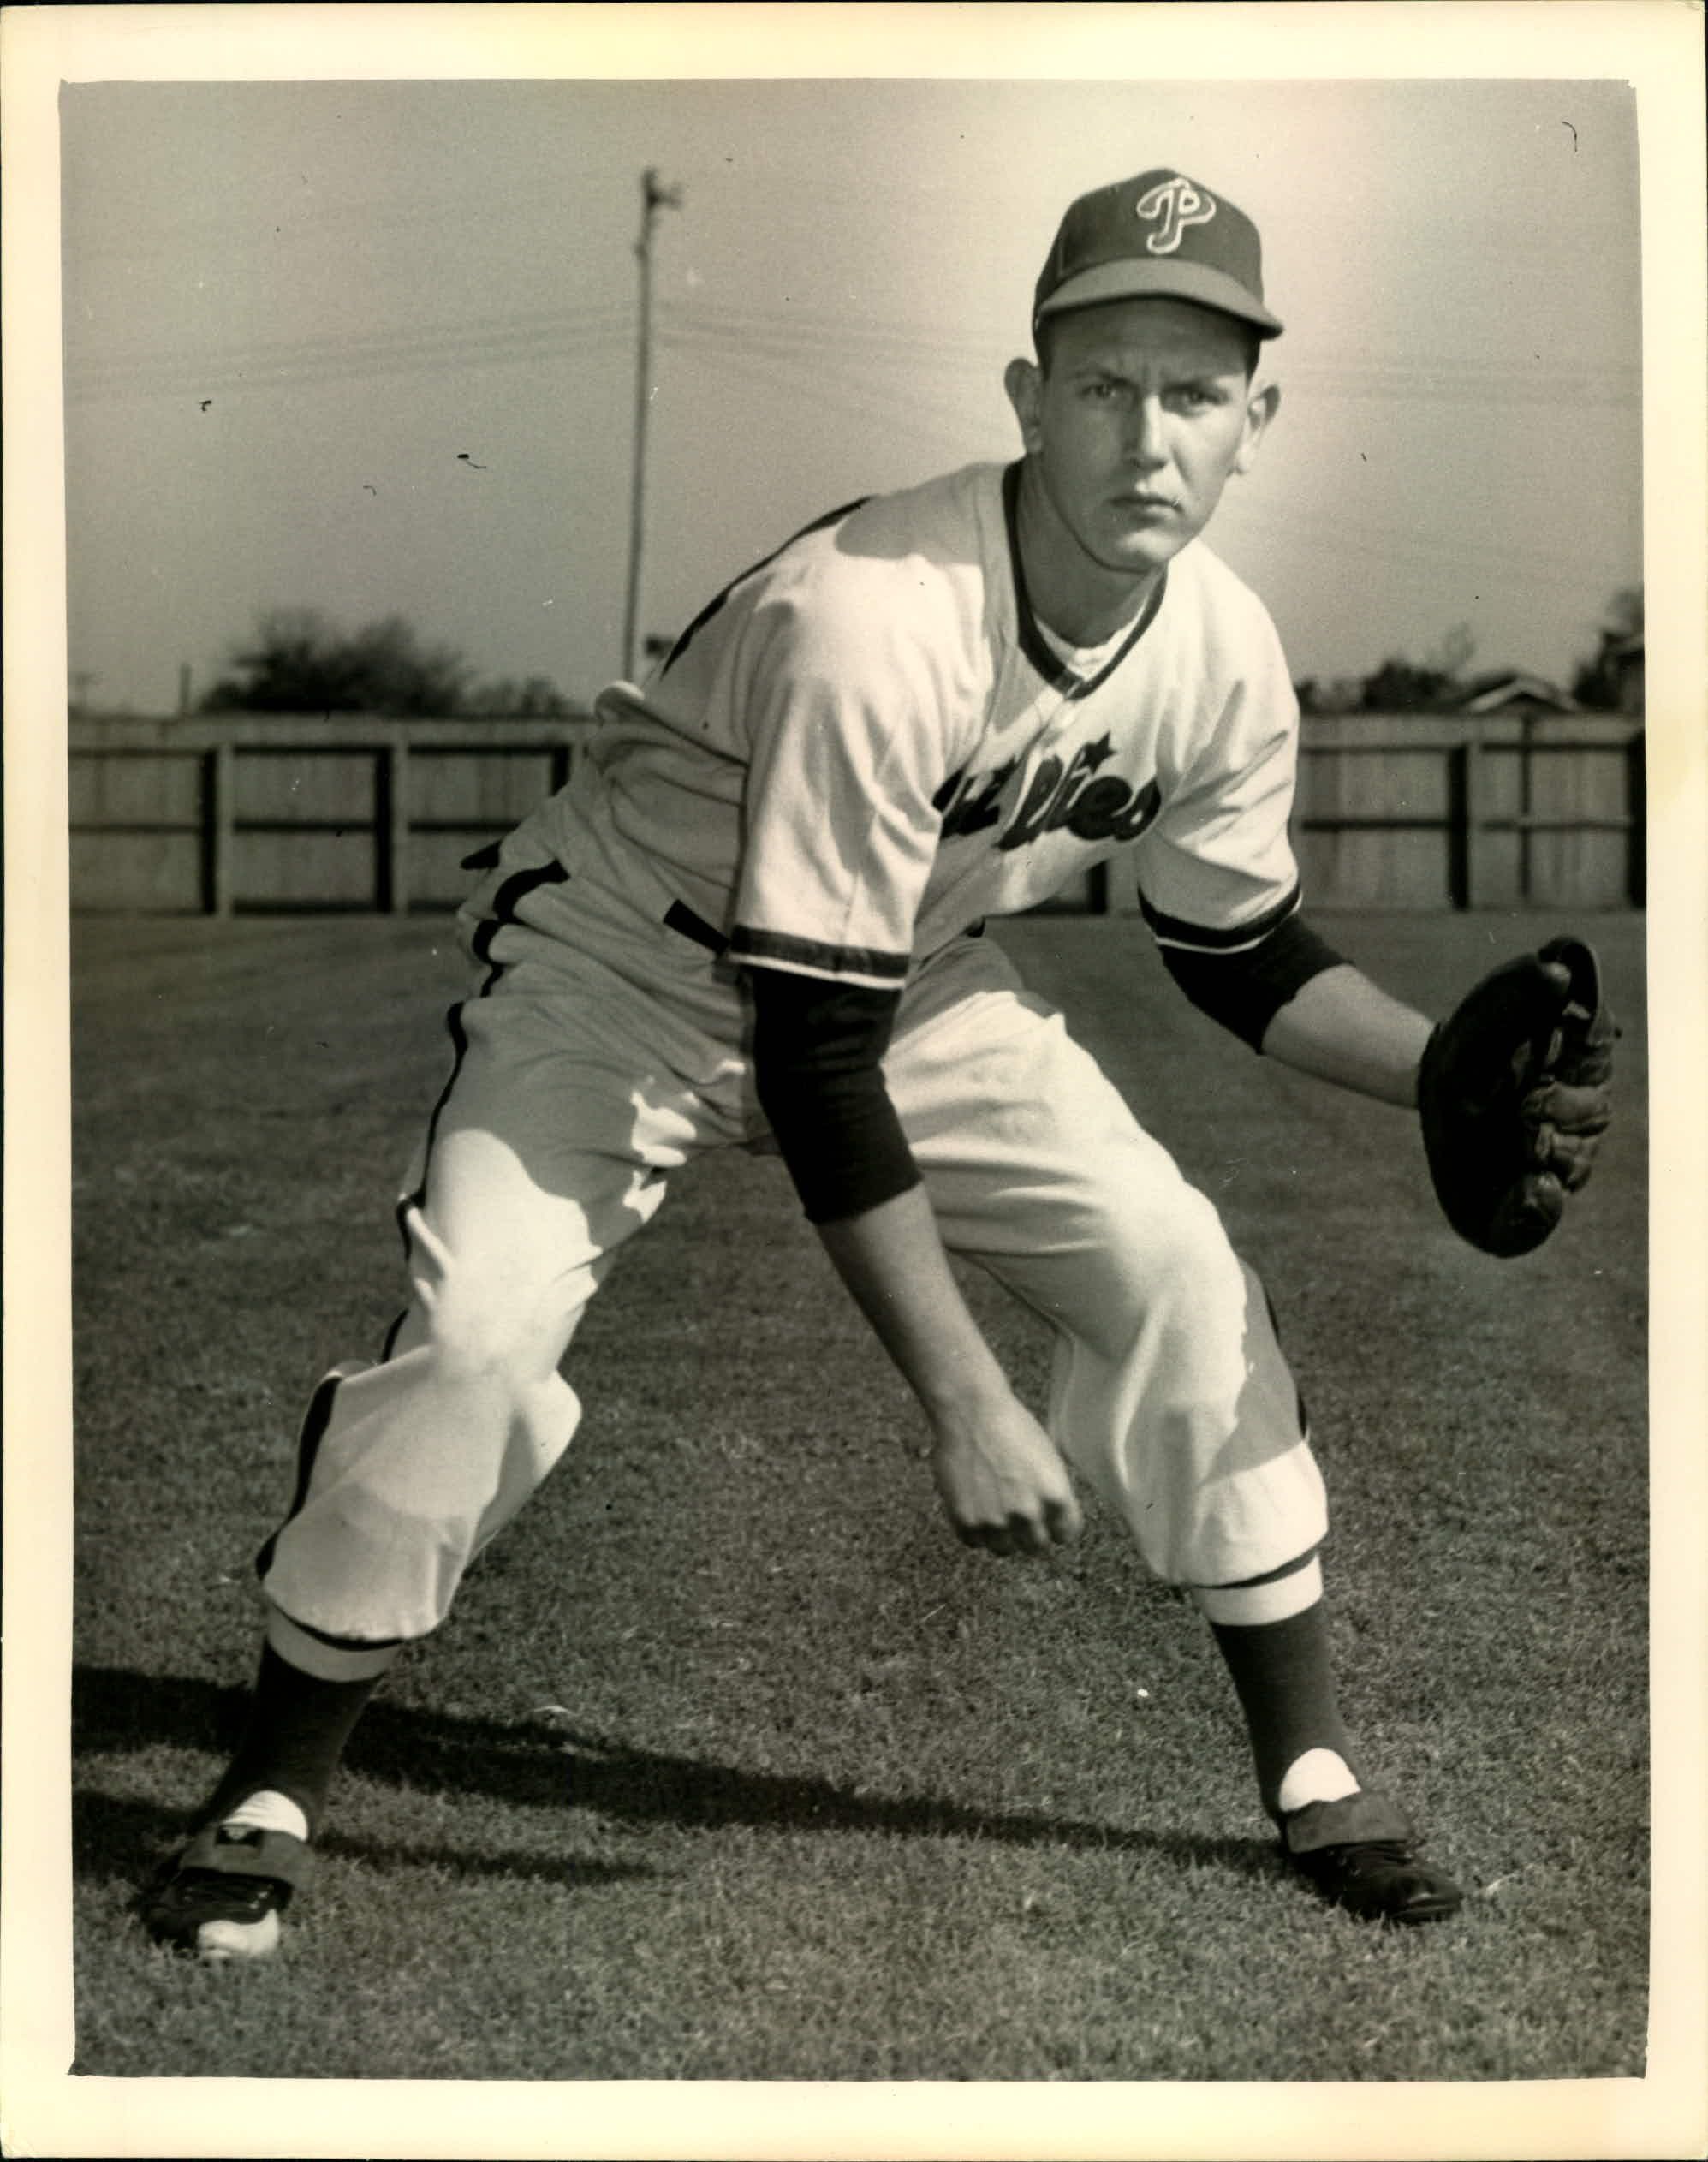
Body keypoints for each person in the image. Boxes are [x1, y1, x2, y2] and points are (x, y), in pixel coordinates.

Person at [146, 164, 1494, 1962]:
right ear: (1026, 401)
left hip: (908, 979)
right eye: (1100, 386)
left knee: (1178, 1272)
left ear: (1258, 418)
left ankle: (1316, 1776)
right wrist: (961, 1397)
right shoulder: (875, 609)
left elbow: (1234, 944)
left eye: (1190, 392)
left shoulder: (1225, 653)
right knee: (473, 1351)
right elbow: (811, 1046)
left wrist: (1446, 1080)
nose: (1144, 439)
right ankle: (270, 1779)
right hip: (623, 964)